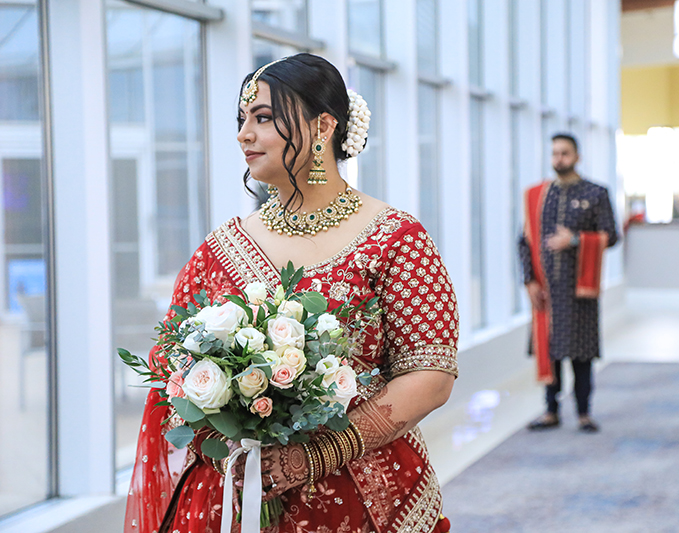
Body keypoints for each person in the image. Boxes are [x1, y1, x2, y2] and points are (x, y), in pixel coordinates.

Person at [124, 53, 458, 533]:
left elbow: (431, 375)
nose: (243, 134)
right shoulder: (219, 249)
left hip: (362, 494)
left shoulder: (395, 239)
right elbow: (172, 369)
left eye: (262, 119)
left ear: (323, 125)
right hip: (232, 496)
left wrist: (315, 455)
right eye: (242, 120)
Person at [518, 133, 617, 433]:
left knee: (582, 353)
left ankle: (584, 412)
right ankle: (551, 410)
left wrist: (574, 240)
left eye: (564, 153)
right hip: (547, 291)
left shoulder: (596, 193)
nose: (558, 159)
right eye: (555, 154)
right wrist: (529, 281)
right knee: (551, 350)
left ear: (577, 157)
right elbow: (523, 241)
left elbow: (611, 235)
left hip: (580, 291)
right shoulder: (538, 196)